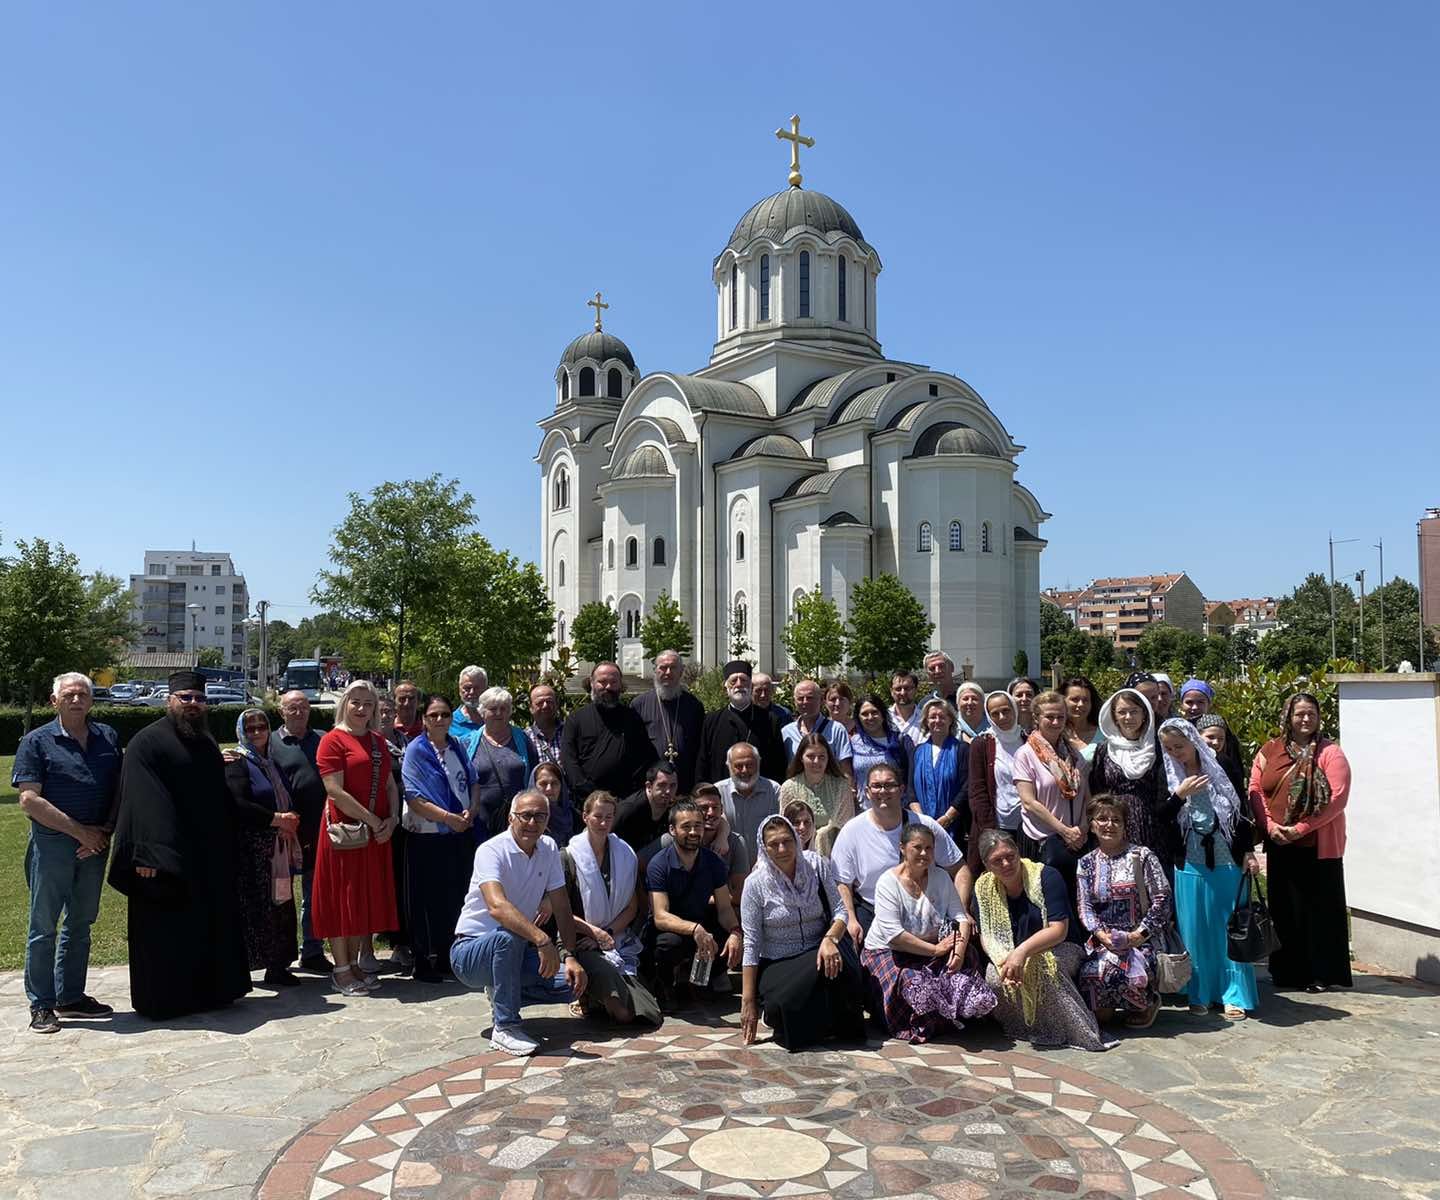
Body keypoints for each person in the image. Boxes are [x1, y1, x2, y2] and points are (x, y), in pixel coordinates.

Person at [107, 671, 252, 1019]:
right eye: (185, 698)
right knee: (166, 934)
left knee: (208, 926)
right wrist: (148, 854)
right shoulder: (147, 742)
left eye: (199, 699)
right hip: (163, 858)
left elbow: (219, 798)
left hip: (208, 855)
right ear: (169, 700)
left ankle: (214, 992)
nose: (193, 704)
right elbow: (142, 802)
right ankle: (167, 1001)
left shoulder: (204, 742)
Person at [13, 672, 122, 1033]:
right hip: (54, 843)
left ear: (91, 700)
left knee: (81, 922)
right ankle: (41, 1004)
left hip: (95, 844)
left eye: (83, 695)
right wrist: (80, 833)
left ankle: (70, 996)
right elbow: (29, 799)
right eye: (69, 695)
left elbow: (118, 788)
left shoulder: (107, 737)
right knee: (43, 926)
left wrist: (101, 832)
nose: (77, 700)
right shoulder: (36, 741)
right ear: (54, 700)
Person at [450, 789, 588, 1055]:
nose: (532, 823)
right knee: (507, 935)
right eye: (525, 816)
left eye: (540, 816)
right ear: (511, 818)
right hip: (470, 953)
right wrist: (542, 938)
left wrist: (570, 955)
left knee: (572, 984)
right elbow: (497, 907)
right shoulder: (490, 851)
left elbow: (561, 905)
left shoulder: (548, 848)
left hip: (514, 952)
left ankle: (502, 995)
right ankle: (505, 1027)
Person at [971, 828, 1111, 1051]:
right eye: (997, 861)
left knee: (1043, 968)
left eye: (1010, 856)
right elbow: (987, 935)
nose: (1006, 864)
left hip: (1062, 946)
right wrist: (1002, 960)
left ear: (1018, 853)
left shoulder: (1046, 876)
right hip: (1010, 952)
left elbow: (1058, 930)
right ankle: (1025, 1028)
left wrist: (1021, 953)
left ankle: (1075, 1033)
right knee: (995, 978)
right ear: (987, 865)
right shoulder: (983, 888)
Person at [1248, 693, 1352, 993]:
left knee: (1318, 910)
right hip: (1280, 843)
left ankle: (1321, 973)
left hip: (1318, 846)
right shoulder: (1271, 749)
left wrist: (1301, 828)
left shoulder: (1330, 753)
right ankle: (1287, 972)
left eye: (1311, 713)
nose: (1305, 719)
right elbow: (1255, 788)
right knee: (1285, 909)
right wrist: (1269, 826)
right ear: (1288, 716)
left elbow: (1336, 799)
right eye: (1299, 714)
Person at [1159, 719, 1260, 1017]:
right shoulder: (1166, 773)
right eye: (1169, 748)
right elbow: (1159, 817)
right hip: (1189, 861)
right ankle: (1199, 992)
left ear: (1193, 741)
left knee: (1228, 928)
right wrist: (1180, 795)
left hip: (1226, 857)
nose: (1176, 753)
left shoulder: (1222, 765)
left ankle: (1234, 993)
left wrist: (1247, 852)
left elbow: (1239, 808)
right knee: (1195, 930)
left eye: (1180, 746)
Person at [862, 822, 997, 1043]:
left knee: (969, 956)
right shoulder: (888, 882)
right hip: (891, 951)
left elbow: (960, 917)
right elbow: (894, 935)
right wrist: (935, 949)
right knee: (913, 980)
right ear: (903, 848)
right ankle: (916, 1020)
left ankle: (954, 1015)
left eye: (929, 848)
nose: (924, 853)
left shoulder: (941, 878)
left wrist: (958, 952)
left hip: (931, 949)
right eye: (917, 847)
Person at [740, 814, 865, 1050]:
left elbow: (840, 910)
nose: (782, 849)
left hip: (820, 948)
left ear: (797, 839)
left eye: (787, 841)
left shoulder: (816, 865)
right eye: (773, 844)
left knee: (833, 972)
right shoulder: (755, 884)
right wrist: (748, 1001)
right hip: (779, 960)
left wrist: (830, 939)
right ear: (763, 847)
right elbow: (752, 943)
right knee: (783, 1005)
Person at [314, 680, 400, 997]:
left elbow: (391, 784)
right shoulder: (332, 741)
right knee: (342, 899)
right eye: (356, 702)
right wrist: (374, 820)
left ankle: (353, 963)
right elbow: (334, 791)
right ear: (345, 703)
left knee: (362, 897)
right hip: (344, 834)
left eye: (368, 703)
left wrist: (391, 820)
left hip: (375, 833)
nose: (362, 709)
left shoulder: (378, 741)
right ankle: (340, 968)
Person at [558, 790, 660, 1025]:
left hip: (615, 939)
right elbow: (561, 912)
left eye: (609, 817)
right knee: (624, 1015)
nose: (603, 823)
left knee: (650, 1014)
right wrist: (594, 933)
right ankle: (593, 996)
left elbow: (632, 907)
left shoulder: (625, 853)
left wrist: (607, 934)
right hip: (580, 941)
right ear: (585, 816)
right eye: (598, 816)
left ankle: (597, 999)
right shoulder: (568, 857)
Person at [831, 763, 962, 940]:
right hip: (873, 910)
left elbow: (960, 868)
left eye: (889, 785)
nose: (883, 791)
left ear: (901, 790)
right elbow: (842, 882)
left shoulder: (925, 825)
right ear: (867, 792)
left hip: (925, 910)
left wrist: (959, 913)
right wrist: (851, 919)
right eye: (876, 786)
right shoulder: (851, 831)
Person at [400, 694, 478, 982]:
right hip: (427, 836)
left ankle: (448, 955)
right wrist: (449, 819)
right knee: (423, 900)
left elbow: (473, 782)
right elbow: (415, 797)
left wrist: (472, 811)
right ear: (424, 719)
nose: (440, 720)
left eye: (445, 714)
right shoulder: (416, 751)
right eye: (433, 715)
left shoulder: (457, 745)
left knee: (452, 897)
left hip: (457, 835)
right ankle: (423, 959)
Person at [1074, 795, 1171, 1028]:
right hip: (1104, 941)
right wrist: (1100, 935)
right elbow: (1084, 906)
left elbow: (1162, 899)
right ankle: (1113, 1003)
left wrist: (1138, 935)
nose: (1109, 824)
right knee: (1094, 991)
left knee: (1114, 971)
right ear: (1092, 824)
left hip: (1142, 940)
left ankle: (1147, 1002)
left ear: (1125, 825)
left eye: (1116, 819)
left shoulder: (1142, 856)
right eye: (1102, 819)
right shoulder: (1086, 863)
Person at [224, 709, 303, 989]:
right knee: (260, 907)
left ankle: (279, 965)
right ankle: (258, 963)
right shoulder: (237, 762)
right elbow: (238, 804)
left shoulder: (271, 762)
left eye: (262, 727)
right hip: (254, 849)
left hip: (278, 845)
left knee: (281, 904)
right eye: (251, 729)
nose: (257, 732)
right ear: (241, 732)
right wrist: (276, 819)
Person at [645, 799, 744, 1008]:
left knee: (727, 937)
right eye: (686, 826)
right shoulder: (659, 864)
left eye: (697, 826)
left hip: (701, 924)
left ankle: (701, 978)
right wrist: (694, 929)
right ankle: (664, 983)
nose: (693, 832)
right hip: (671, 930)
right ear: (672, 830)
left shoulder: (713, 862)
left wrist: (736, 933)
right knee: (668, 944)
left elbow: (725, 908)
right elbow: (660, 916)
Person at [269, 690, 332, 972]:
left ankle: (313, 949)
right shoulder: (269, 742)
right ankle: (279, 954)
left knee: (314, 892)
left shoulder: (322, 738)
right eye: (292, 708)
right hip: (283, 829)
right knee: (281, 893)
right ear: (281, 711)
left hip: (318, 828)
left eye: (303, 707)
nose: (298, 712)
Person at [1089, 689, 1180, 873]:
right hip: (1115, 826)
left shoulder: (1158, 747)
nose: (1128, 717)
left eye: (1134, 711)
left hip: (1155, 827)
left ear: (1144, 714)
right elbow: (1098, 789)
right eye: (1122, 712)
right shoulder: (1105, 750)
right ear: (1114, 716)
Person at [1013, 690, 1089, 900]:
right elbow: (1028, 802)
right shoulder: (1025, 755)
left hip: (1076, 840)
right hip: (1043, 841)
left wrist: (1081, 828)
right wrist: (1064, 831)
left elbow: (1086, 795)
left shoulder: (1073, 754)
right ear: (1037, 718)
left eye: (1061, 717)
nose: (1056, 722)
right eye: (1050, 717)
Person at [561, 663, 657, 804]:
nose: (608, 687)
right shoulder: (576, 719)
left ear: (620, 685)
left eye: (613, 682)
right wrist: (588, 791)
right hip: (587, 802)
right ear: (592, 683)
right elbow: (569, 759)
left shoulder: (633, 718)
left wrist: (631, 796)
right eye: (602, 682)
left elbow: (644, 758)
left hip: (626, 802)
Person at [695, 661, 788, 784]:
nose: (739, 685)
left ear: (750, 685)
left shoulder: (769, 720)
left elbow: (779, 763)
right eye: (734, 681)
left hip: (760, 794)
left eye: (743, 680)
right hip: (721, 796)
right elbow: (702, 762)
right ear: (726, 687)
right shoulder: (711, 721)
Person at [631, 649, 705, 793]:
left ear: (681, 671)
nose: (668, 672)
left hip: (685, 785)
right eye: (663, 667)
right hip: (651, 787)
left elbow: (700, 747)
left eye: (673, 668)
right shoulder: (639, 705)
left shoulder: (693, 705)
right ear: (655, 670)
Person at [468, 687, 538, 837]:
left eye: (504, 708)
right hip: (480, 823)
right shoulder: (468, 743)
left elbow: (534, 778)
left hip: (517, 821)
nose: (499, 713)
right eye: (493, 709)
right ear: (482, 712)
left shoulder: (524, 740)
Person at [779, 732, 854, 855]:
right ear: (801, 758)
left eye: (822, 756)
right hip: (799, 856)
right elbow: (786, 828)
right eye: (810, 756)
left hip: (837, 853)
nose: (816, 761)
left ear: (828, 758)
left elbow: (847, 827)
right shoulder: (788, 787)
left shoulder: (841, 786)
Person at [674, 783, 749, 902]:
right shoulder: (675, 840)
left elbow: (740, 894)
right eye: (704, 808)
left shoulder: (735, 842)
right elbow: (641, 864)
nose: (711, 813)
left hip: (721, 915)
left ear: (722, 810)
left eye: (715, 808)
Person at [909, 697, 969, 847]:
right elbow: (909, 789)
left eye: (942, 716)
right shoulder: (917, 752)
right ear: (926, 721)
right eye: (932, 717)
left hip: (954, 826)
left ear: (950, 720)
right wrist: (923, 819)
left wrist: (947, 817)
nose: (937, 720)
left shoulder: (962, 749)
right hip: (921, 827)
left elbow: (966, 787)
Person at [716, 741, 782, 861]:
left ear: (758, 764)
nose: (745, 770)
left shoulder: (773, 790)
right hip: (728, 866)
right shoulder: (717, 792)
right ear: (729, 766)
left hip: (765, 866)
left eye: (750, 765)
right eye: (738, 766)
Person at [1181, 679, 1246, 793]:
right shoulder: (1178, 730)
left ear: (1209, 704)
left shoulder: (1220, 728)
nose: (1195, 707)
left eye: (1201, 702)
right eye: (1189, 702)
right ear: (1181, 704)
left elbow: (1236, 768)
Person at [782, 680, 855, 777]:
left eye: (810, 698)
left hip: (830, 790)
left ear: (821, 700)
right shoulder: (786, 732)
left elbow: (846, 769)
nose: (805, 702)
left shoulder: (836, 730)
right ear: (794, 702)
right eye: (800, 698)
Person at [849, 694, 911, 803]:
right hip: (864, 810)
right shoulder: (853, 743)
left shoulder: (900, 741)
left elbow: (910, 777)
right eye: (864, 714)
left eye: (874, 712)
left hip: (896, 808)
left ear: (883, 714)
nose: (870, 717)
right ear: (858, 718)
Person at [614, 761, 678, 852]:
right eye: (662, 785)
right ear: (649, 786)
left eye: (673, 786)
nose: (668, 791)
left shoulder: (673, 807)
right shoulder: (630, 809)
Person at [530, 759, 577, 847]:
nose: (549, 789)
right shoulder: (527, 820)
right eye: (543, 783)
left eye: (554, 783)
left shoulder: (574, 816)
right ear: (534, 785)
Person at [1195, 714, 1245, 796]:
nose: (1216, 743)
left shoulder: (1225, 762)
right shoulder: (1188, 759)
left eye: (1221, 739)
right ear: (1198, 736)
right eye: (1210, 737)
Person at [1061, 676, 1105, 764]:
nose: (1081, 704)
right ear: (1062, 700)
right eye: (1075, 699)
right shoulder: (1054, 732)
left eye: (1085, 700)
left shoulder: (1104, 736)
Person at [450, 665, 489, 748]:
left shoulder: (494, 719)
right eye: (467, 688)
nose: (472, 692)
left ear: (486, 690)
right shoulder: (448, 722)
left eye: (477, 688)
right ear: (459, 690)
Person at [527, 683, 565, 767]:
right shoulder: (525, 738)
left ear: (556, 704)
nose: (545, 706)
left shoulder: (570, 732)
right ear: (531, 708)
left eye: (549, 701)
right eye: (539, 702)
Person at [889, 671, 925, 745]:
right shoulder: (884, 718)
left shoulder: (925, 719)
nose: (903, 693)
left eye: (907, 688)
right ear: (891, 692)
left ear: (916, 690)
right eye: (898, 689)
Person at [954, 681, 989, 745]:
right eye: (965, 699)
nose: (970, 703)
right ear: (958, 704)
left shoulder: (993, 727)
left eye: (974, 699)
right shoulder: (951, 727)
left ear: (983, 703)